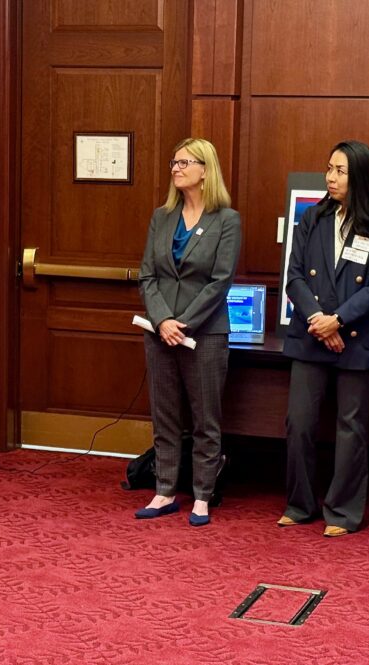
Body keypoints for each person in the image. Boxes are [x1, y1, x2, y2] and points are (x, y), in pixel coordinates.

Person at [277, 140, 369, 537]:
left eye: (340, 171)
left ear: (359, 176)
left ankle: (342, 512)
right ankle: (300, 503)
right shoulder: (312, 218)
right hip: (311, 333)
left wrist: (337, 322)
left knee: (351, 426)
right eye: (329, 168)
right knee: (300, 422)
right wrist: (318, 321)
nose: (330, 177)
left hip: (355, 338)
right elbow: (294, 276)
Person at [135, 138, 242, 527]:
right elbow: (148, 274)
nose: (176, 168)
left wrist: (185, 323)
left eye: (184, 162)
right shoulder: (162, 217)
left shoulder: (226, 220)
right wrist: (163, 321)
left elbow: (220, 281)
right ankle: (164, 491)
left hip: (205, 333)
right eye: (174, 162)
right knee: (165, 416)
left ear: (205, 170)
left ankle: (202, 496)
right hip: (159, 332)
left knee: (204, 420)